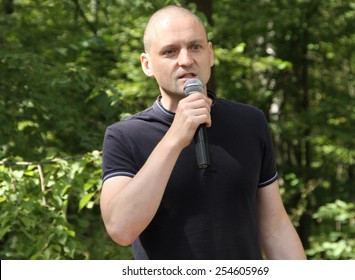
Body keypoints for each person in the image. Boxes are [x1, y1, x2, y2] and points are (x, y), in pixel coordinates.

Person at [100, 5, 306, 260]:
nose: (186, 60)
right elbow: (121, 229)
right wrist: (175, 137)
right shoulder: (125, 136)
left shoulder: (250, 122)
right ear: (147, 64)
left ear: (210, 54)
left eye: (195, 47)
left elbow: (275, 227)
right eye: (170, 51)